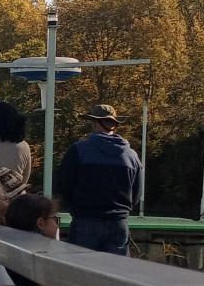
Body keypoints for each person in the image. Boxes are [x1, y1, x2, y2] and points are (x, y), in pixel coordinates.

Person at [55, 104, 142, 256]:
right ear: (114, 125)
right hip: (119, 224)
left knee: (81, 274)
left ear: (94, 122)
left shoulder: (79, 150)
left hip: (85, 221)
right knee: (115, 275)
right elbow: (136, 194)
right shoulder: (132, 155)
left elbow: (63, 186)